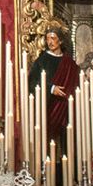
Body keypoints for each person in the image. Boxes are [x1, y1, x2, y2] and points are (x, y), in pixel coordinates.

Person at [28, 26, 80, 154]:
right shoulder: (41, 61)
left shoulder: (69, 63)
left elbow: (76, 83)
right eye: (47, 39)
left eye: (53, 38)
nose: (50, 42)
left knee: (68, 146)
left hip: (67, 110)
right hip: (49, 109)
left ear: (60, 41)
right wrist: (51, 88)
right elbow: (32, 83)